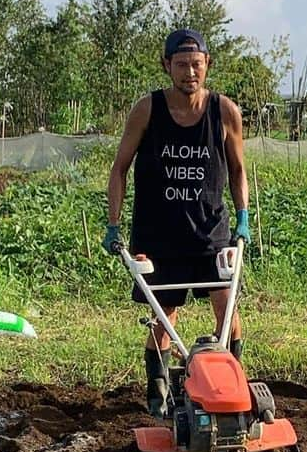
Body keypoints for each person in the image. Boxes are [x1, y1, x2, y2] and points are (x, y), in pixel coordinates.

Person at [104, 28, 251, 418]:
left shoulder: (225, 112)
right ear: (167, 65)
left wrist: (243, 219)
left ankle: (232, 391)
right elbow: (119, 168)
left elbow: (238, 170)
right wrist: (114, 226)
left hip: (211, 231)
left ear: (208, 66)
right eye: (182, 65)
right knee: (163, 319)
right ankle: (160, 396)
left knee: (227, 312)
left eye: (197, 65)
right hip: (159, 235)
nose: (190, 73)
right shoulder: (147, 109)